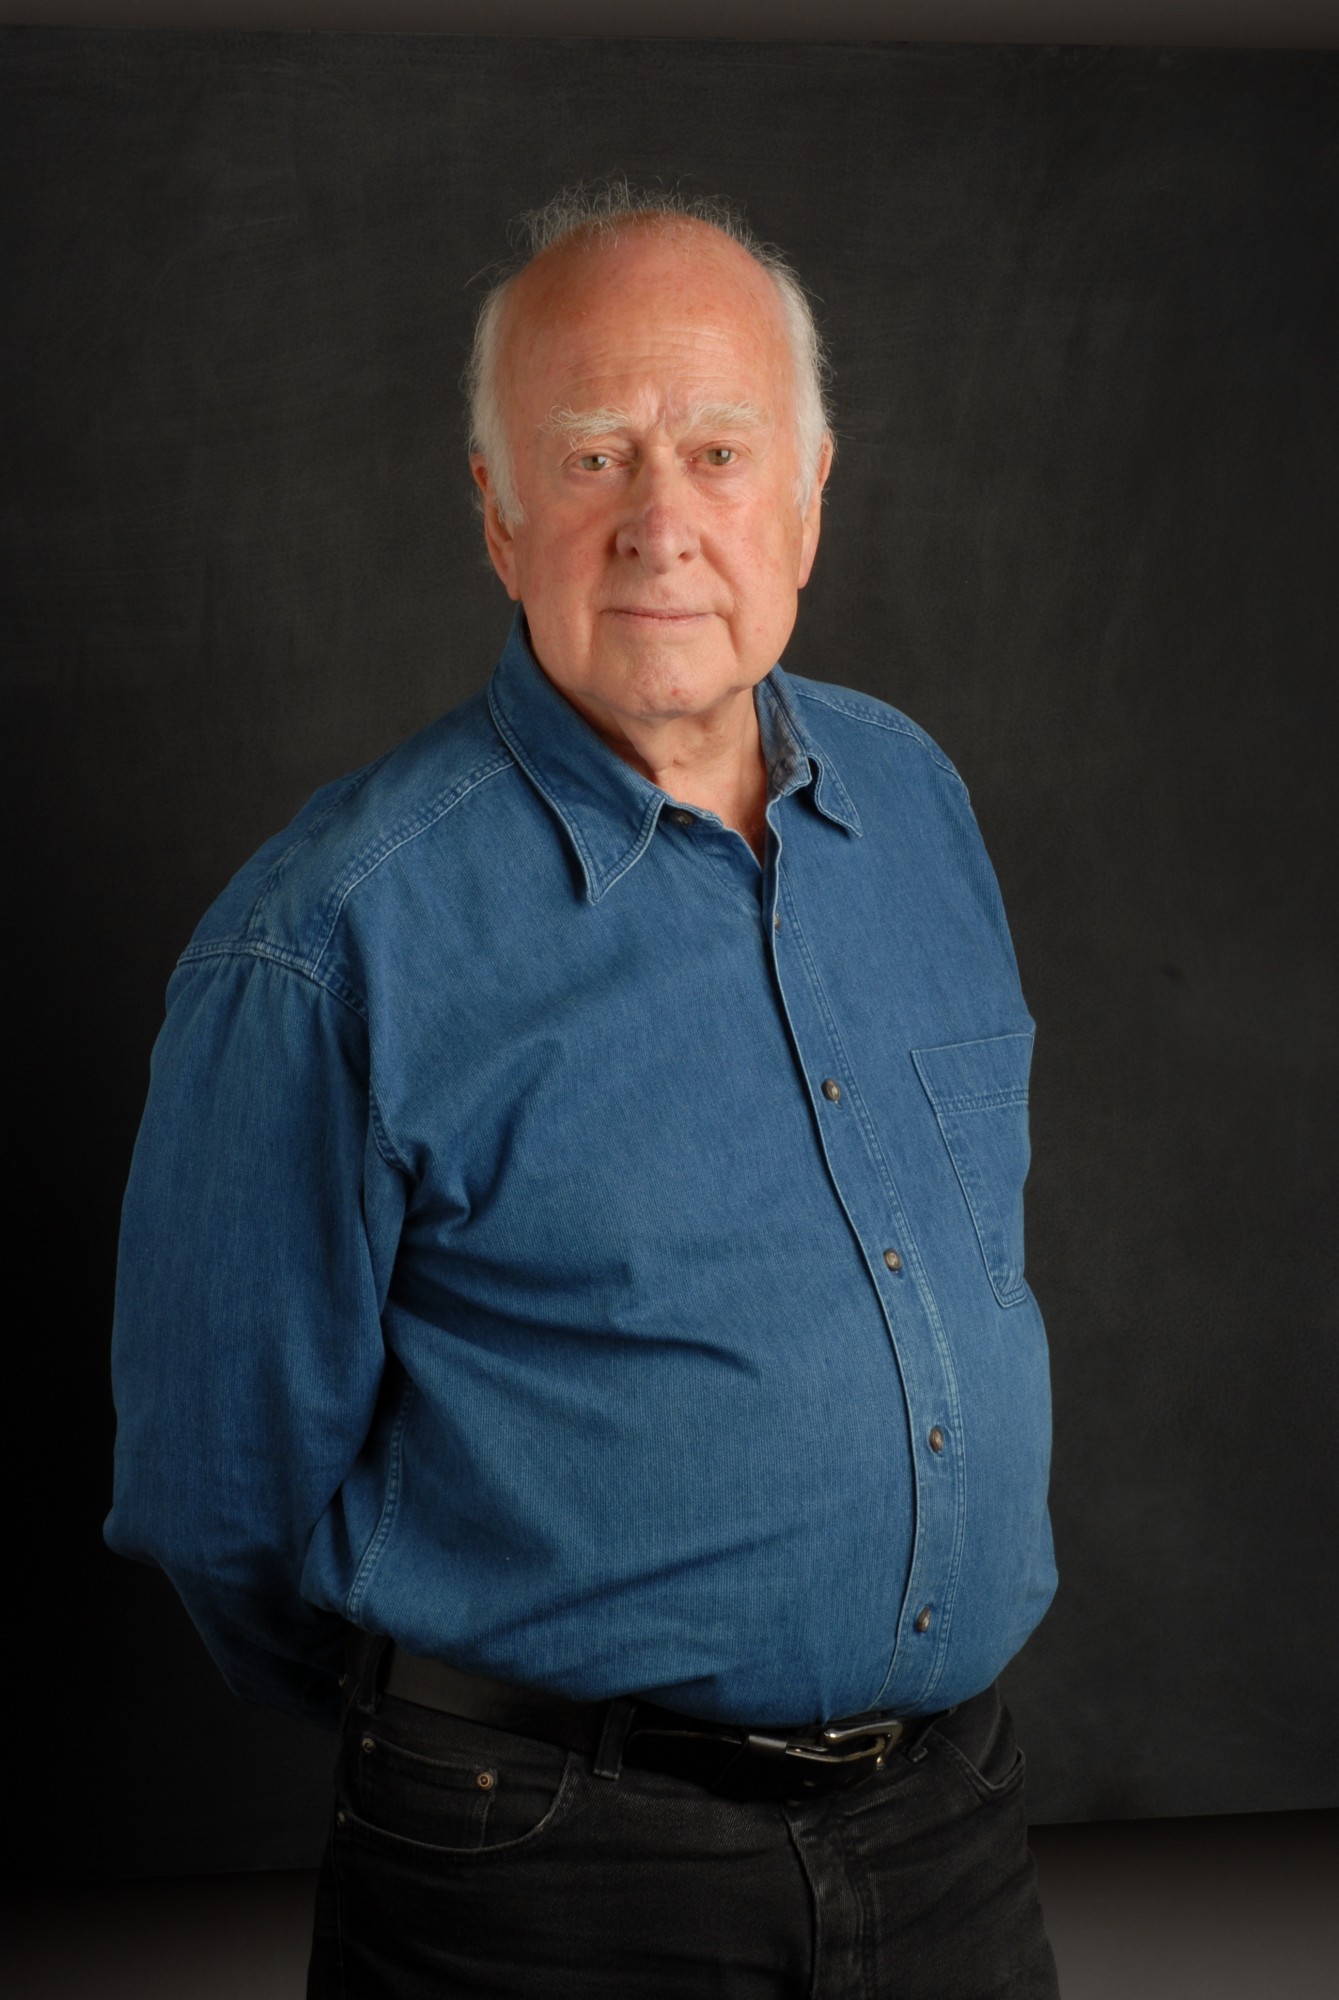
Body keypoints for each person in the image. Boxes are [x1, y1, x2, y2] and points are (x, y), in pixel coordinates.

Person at [107, 185, 1060, 1998]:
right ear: (498, 512)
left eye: (715, 450)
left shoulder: (914, 800)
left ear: (809, 494)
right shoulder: (323, 945)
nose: (662, 524)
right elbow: (219, 1507)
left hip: (952, 1834)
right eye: (593, 456)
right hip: (544, 1878)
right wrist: (499, 1721)